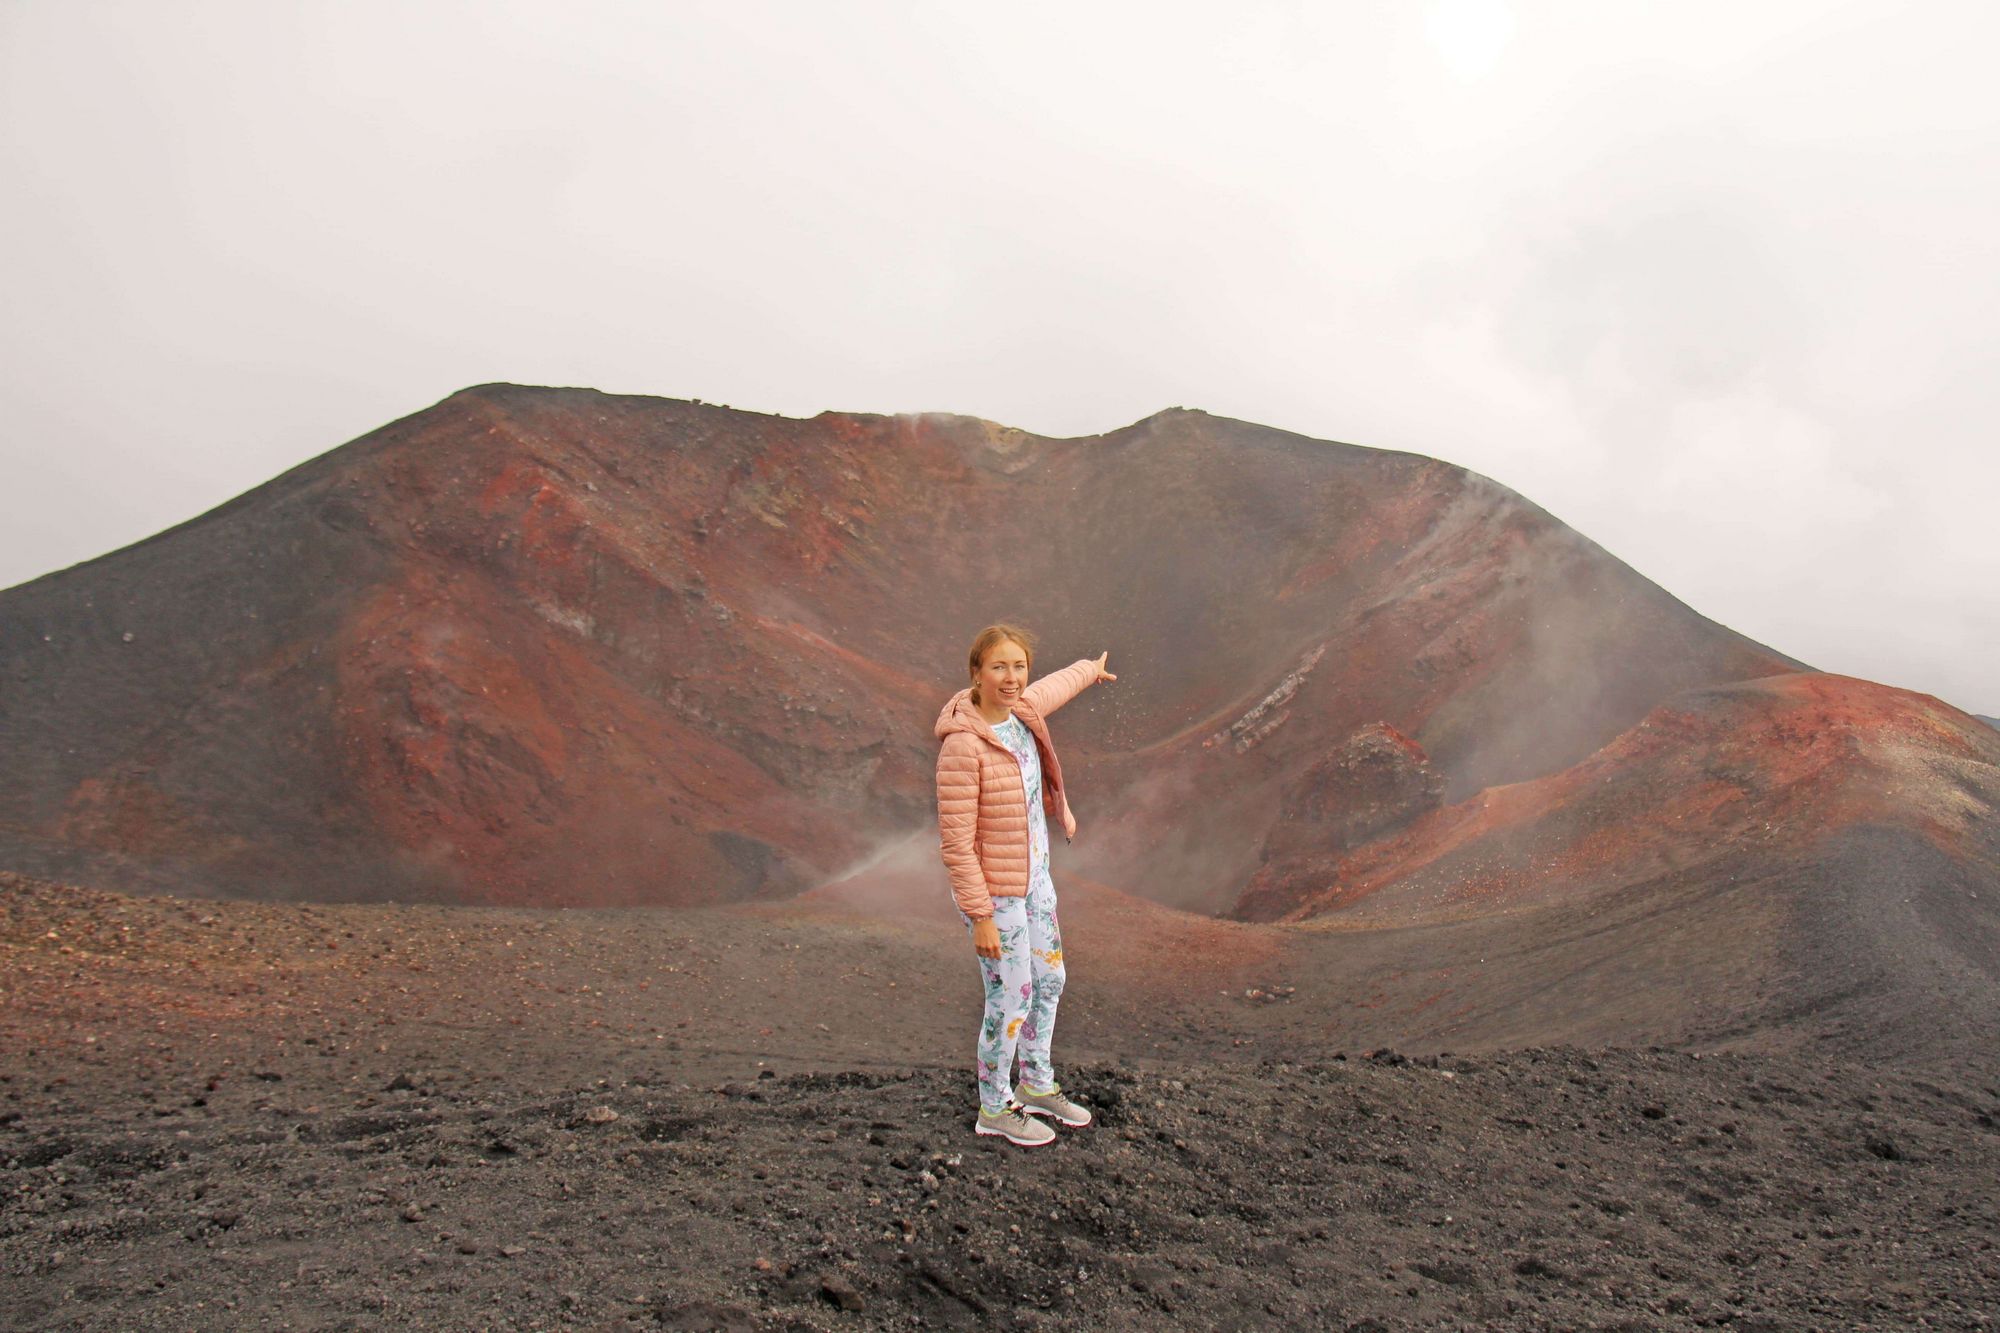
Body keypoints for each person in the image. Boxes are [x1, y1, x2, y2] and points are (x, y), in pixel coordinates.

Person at [933, 623, 1116, 1146]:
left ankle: (1036, 1084)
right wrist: (981, 916)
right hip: (995, 893)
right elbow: (957, 844)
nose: (1011, 678)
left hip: (1036, 881)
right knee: (1011, 995)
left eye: (1019, 666)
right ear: (976, 673)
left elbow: (1050, 689)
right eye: (999, 667)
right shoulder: (963, 748)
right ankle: (994, 1106)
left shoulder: (1021, 716)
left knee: (1050, 981)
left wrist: (1090, 670)